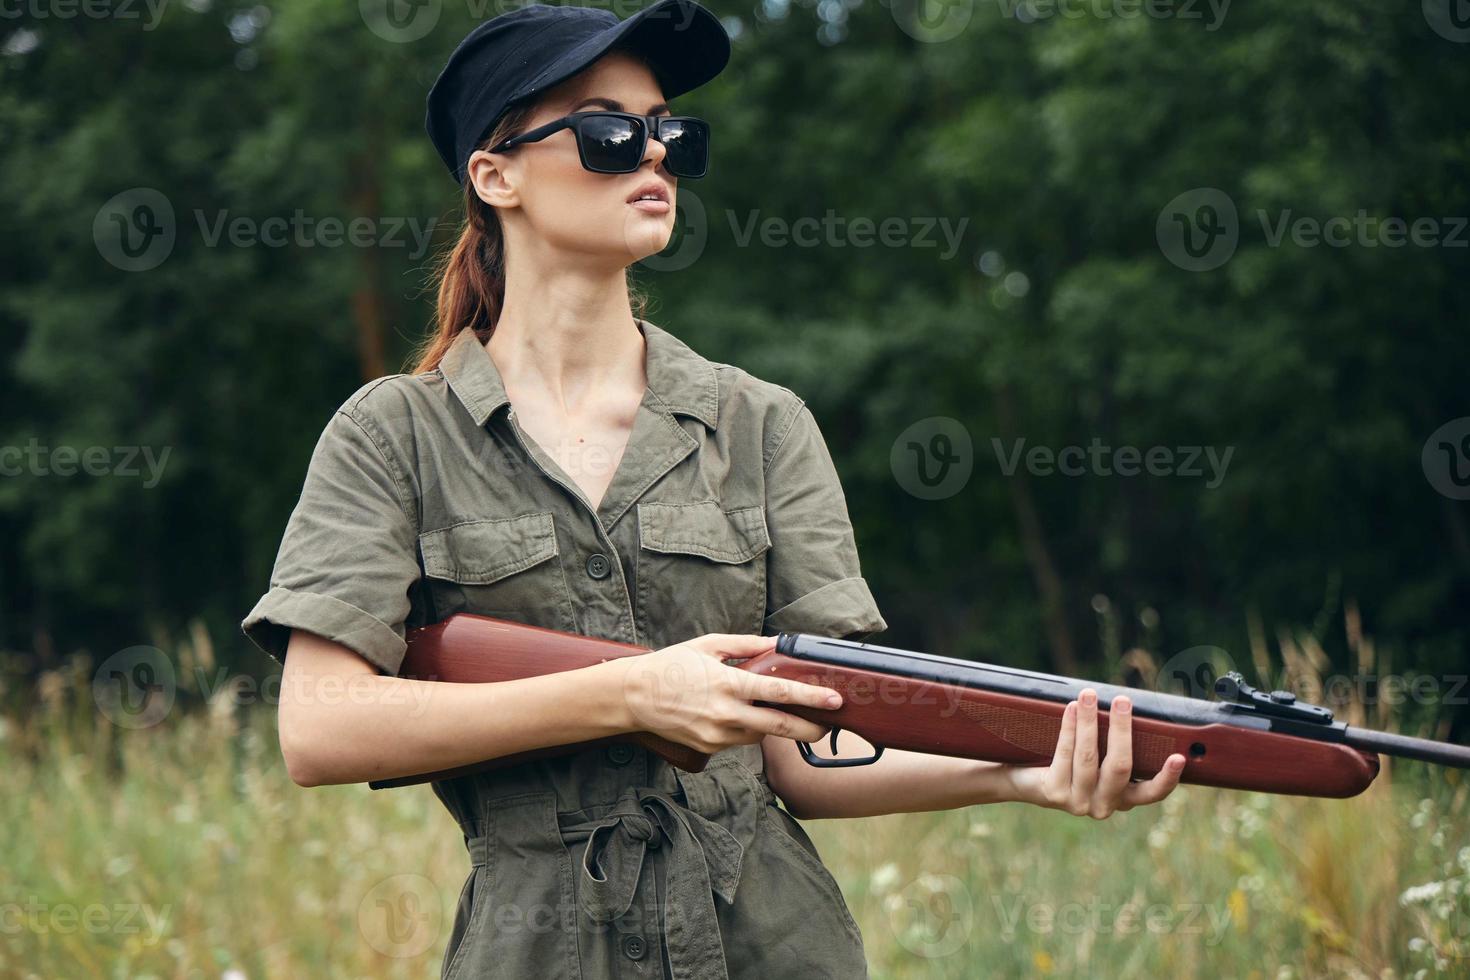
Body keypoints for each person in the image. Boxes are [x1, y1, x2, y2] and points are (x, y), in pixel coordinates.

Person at [240, 2, 1186, 976]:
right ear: (497, 174)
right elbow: (322, 725)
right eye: (608, 132)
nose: (652, 156)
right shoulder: (392, 435)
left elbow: (809, 747)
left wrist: (1031, 766)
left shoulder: (763, 423)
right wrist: (634, 691)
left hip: (768, 946)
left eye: (670, 134)